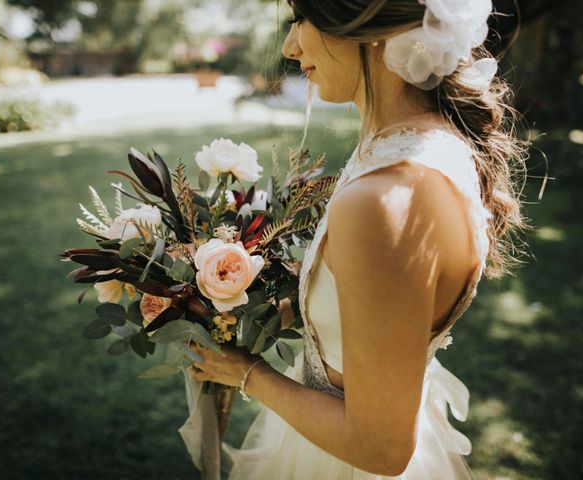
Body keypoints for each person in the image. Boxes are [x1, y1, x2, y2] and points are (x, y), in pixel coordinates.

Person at [184, 0, 529, 478]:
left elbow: (380, 448)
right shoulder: (420, 145)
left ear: (363, 23)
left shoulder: (382, 200)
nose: (289, 46)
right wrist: (268, 308)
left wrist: (244, 374)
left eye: (301, 19)